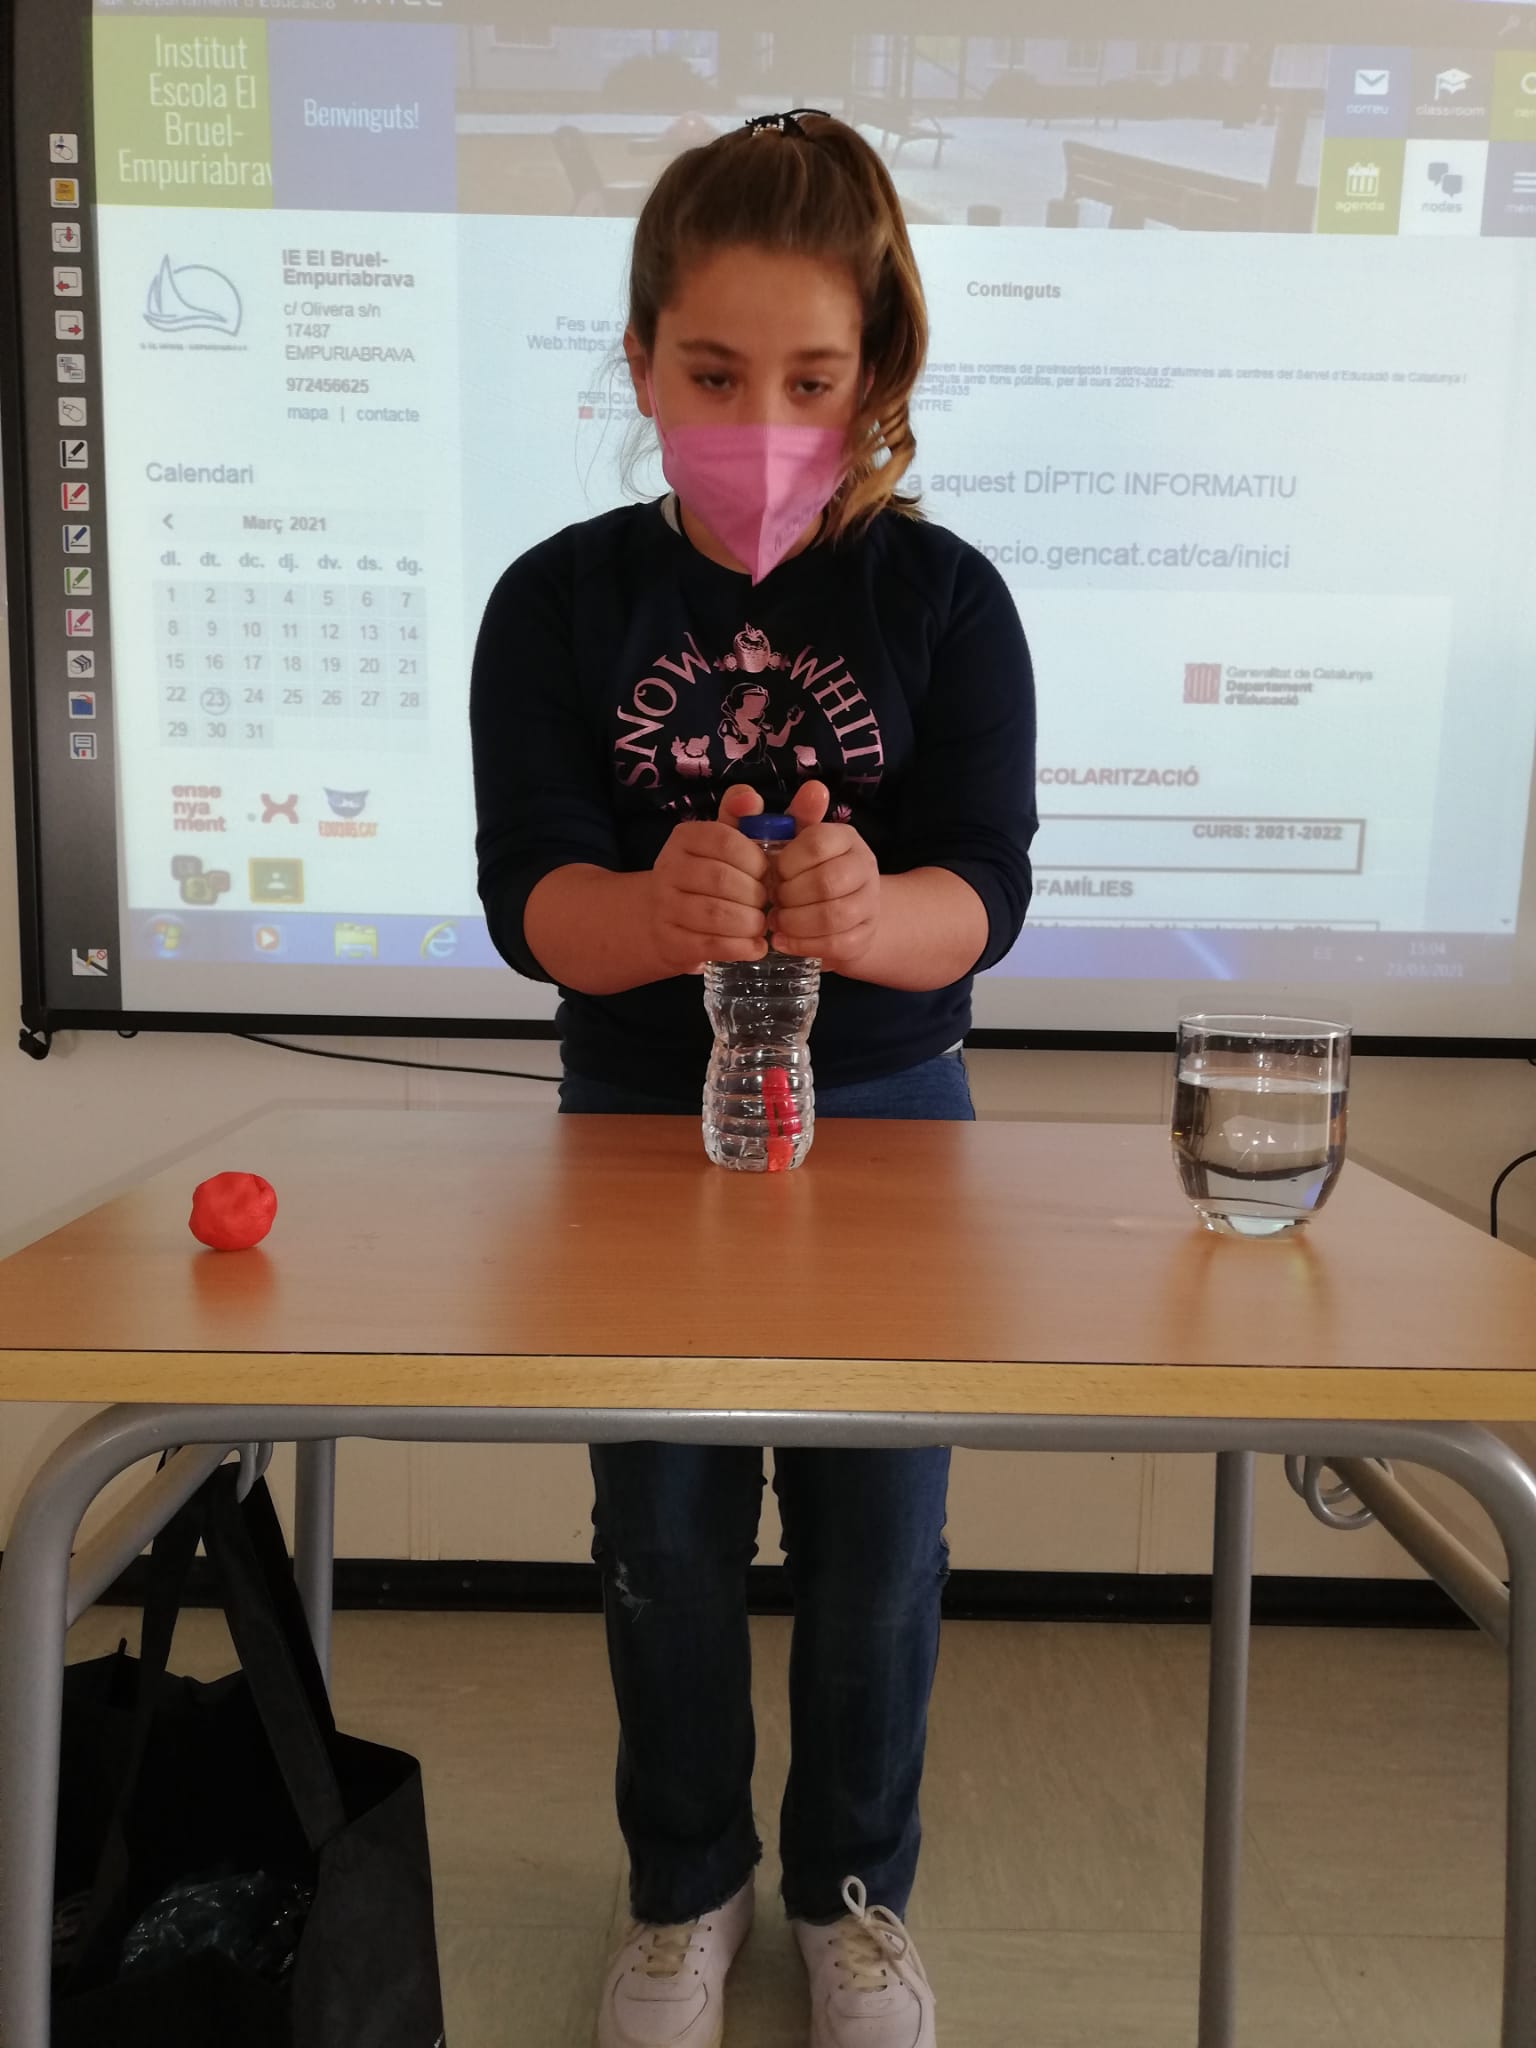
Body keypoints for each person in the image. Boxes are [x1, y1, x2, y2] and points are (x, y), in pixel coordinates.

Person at [471, 107, 1036, 2048]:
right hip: (640, 1125)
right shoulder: (560, 600)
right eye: (714, 375)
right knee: (665, 1542)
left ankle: (854, 1896)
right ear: (640, 360)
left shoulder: (943, 598)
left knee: (881, 1554)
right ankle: (683, 1888)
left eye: (812, 379)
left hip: (892, 1129)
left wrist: (878, 914)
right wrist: (652, 911)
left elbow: (988, 888)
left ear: (875, 378)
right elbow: (531, 898)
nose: (767, 422)